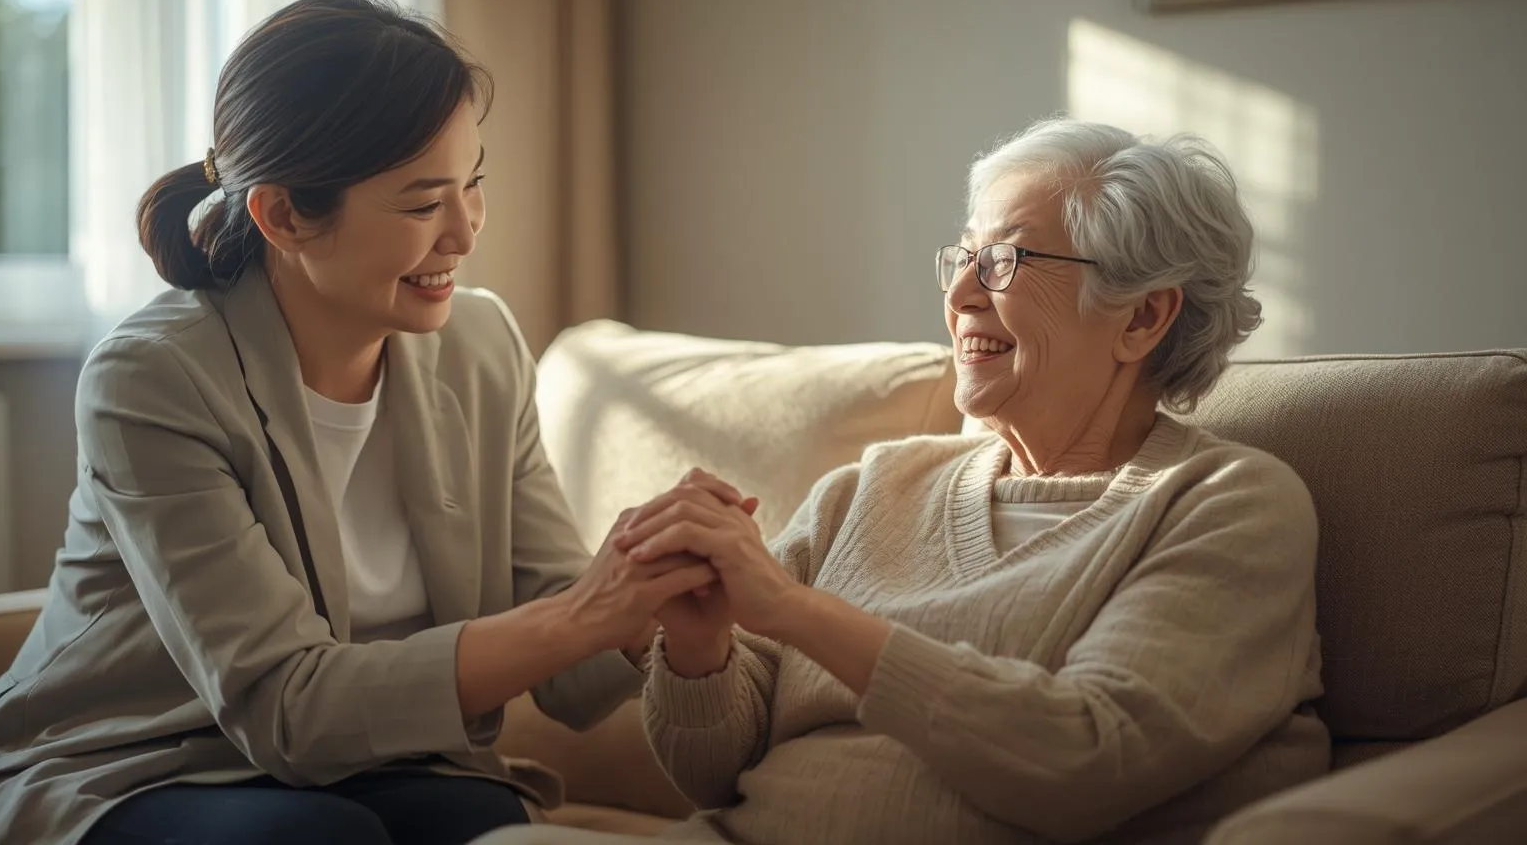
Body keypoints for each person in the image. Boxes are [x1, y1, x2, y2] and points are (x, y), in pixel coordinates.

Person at [0, 0, 745, 845]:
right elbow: (287, 708)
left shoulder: (481, 345)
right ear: (283, 215)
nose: (464, 233)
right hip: (126, 766)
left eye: (474, 185)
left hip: (370, 763)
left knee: (482, 814)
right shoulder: (152, 380)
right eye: (424, 203)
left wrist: (647, 590)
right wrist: (583, 614)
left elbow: (562, 666)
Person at [482, 119, 1331, 845]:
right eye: (962, 257)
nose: (961, 293)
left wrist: (794, 610)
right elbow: (714, 775)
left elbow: (1084, 757)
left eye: (1004, 260)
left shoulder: (1226, 506)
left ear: (1143, 316)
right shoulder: (875, 487)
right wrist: (702, 650)